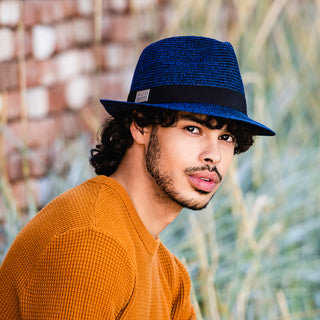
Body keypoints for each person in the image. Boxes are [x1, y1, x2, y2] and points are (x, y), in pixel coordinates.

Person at [0, 36, 275, 319]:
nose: (213, 155)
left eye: (226, 137)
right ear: (141, 125)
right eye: (193, 129)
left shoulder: (170, 274)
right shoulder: (92, 244)